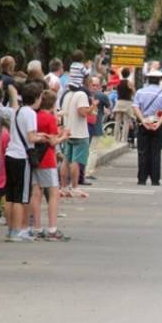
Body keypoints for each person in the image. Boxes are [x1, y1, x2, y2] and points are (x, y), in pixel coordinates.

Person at [4, 83, 49, 242]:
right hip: (22, 157)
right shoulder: (30, 113)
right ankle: (18, 230)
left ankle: (10, 229)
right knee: (20, 197)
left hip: (10, 153)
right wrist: (43, 137)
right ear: (36, 98)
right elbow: (31, 137)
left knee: (10, 195)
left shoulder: (17, 111)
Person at [31, 90, 70, 241]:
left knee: (36, 193)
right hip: (47, 158)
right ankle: (52, 228)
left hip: (35, 157)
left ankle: (36, 227)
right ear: (53, 103)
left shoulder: (35, 116)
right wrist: (64, 136)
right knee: (53, 193)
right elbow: (53, 141)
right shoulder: (50, 118)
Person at [132, 70, 162, 186]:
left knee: (142, 152)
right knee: (155, 153)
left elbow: (135, 107)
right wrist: (159, 123)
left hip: (144, 124)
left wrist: (142, 120)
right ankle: (155, 179)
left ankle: (142, 179)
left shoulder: (140, 92)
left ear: (148, 80)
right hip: (156, 125)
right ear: (159, 81)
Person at [60, 70, 91, 198]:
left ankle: (63, 187)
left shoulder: (67, 95)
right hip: (80, 133)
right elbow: (82, 112)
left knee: (66, 160)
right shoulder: (81, 95)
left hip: (68, 131)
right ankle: (74, 187)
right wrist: (93, 107)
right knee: (76, 162)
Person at [85, 76, 111, 178]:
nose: (95, 87)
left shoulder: (84, 94)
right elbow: (109, 106)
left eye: (96, 85)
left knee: (86, 149)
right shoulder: (101, 95)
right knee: (93, 150)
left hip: (85, 125)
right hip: (96, 126)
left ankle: (84, 171)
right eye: (93, 85)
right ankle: (88, 172)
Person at [113, 68, 135, 143]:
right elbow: (133, 92)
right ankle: (124, 139)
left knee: (117, 121)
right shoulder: (129, 83)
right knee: (126, 122)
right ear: (128, 74)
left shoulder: (118, 83)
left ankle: (115, 138)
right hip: (127, 102)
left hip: (119, 102)